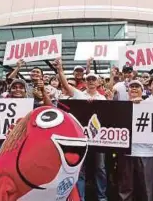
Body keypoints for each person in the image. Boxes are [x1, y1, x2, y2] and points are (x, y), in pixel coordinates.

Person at [55, 58, 108, 201]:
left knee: (100, 169)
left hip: (99, 140)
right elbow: (66, 85)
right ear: (85, 82)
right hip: (81, 139)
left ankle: (102, 198)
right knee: (80, 170)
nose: (91, 81)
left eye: (93, 79)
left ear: (98, 83)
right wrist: (60, 69)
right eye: (88, 79)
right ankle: (80, 198)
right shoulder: (79, 94)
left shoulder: (103, 99)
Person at [117, 80, 153, 201]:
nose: (133, 89)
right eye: (131, 87)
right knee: (125, 189)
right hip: (126, 152)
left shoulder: (151, 104)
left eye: (137, 87)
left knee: (146, 189)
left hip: (146, 152)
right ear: (127, 91)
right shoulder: (120, 107)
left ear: (142, 90)